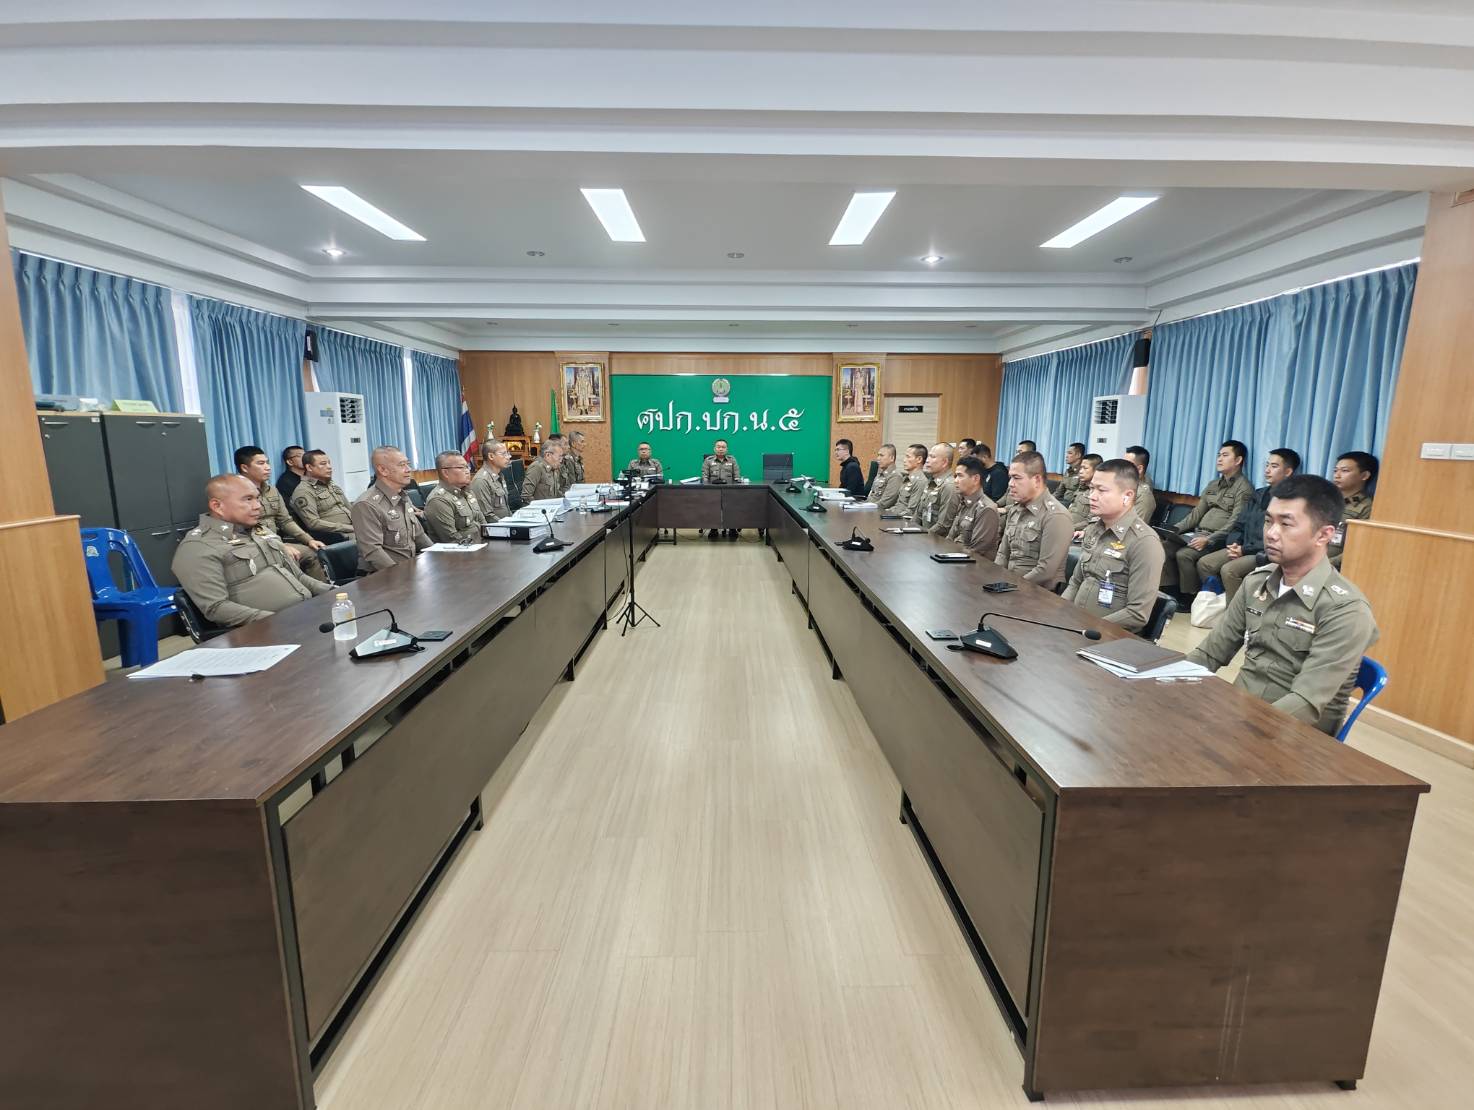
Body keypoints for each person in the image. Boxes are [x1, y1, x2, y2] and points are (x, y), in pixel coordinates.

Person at [1187, 474, 1378, 736]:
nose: (1271, 533)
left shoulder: (1345, 609)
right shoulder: (1256, 582)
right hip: (1238, 715)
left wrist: (1233, 729)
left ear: (1324, 535)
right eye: (1269, 521)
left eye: (1286, 524)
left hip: (1293, 738)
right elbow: (1210, 654)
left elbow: (1306, 704)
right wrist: (1163, 681)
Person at [172, 474, 331, 627]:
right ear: (217, 506)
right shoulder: (198, 546)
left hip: (303, 614)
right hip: (263, 630)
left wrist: (334, 592)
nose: (258, 506)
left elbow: (298, 576)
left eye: (257, 498)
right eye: (248, 499)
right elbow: (217, 608)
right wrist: (279, 621)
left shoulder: (260, 531)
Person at [1061, 459, 1166, 632]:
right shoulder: (1094, 529)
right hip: (1074, 624)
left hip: (1106, 636)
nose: (1092, 496)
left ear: (1127, 496)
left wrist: (1090, 629)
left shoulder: (1144, 543)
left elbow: (1137, 613)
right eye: (1091, 488)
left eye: (1101, 490)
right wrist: (1059, 613)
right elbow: (1076, 583)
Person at [1195, 447, 1300, 600]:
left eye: (1274, 466)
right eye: (1267, 465)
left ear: (1288, 472)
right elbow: (1240, 523)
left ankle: (1235, 609)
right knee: (1205, 563)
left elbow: (1280, 537)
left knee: (1229, 570)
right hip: (1242, 546)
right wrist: (1234, 544)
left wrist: (1244, 550)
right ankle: (1221, 600)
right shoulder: (1259, 494)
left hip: (1263, 551)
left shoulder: (1291, 500)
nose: (1267, 470)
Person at [1160, 439, 1254, 596]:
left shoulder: (1244, 488)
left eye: (1225, 455)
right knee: (1164, 547)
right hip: (1197, 534)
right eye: (1219, 455)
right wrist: (1173, 530)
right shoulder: (1213, 484)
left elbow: (1235, 522)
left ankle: (1189, 596)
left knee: (1184, 555)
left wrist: (1208, 540)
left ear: (1238, 460)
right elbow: (1196, 514)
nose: (1219, 459)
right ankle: (1168, 590)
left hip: (1218, 539)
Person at [234, 445, 324, 569]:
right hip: (254, 546)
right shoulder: (235, 493)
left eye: (267, 462)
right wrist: (280, 546)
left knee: (315, 552)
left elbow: (285, 520)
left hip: (276, 541)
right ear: (244, 468)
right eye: (261, 463)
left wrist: (308, 540)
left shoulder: (272, 490)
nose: (268, 467)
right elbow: (241, 530)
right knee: (289, 557)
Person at [995, 450, 1073, 590]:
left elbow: (1045, 571)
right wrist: (995, 580)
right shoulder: (1016, 509)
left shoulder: (1055, 516)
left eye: (1017, 478)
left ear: (1036, 480)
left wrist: (1009, 588)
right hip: (1008, 586)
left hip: (1036, 593)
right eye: (1010, 478)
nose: (1010, 484)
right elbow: (1003, 554)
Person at [351, 445, 431, 573]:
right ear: (383, 470)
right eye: (402, 465)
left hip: (409, 569)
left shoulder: (403, 496)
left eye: (408, 464)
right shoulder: (366, 504)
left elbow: (419, 536)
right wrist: (400, 575)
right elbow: (373, 552)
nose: (408, 469)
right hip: (382, 575)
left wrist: (438, 556)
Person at [290, 449, 355, 543]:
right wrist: (349, 528)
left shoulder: (331, 485)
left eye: (329, 463)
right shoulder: (303, 491)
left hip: (354, 528)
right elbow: (313, 523)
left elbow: (350, 509)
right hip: (338, 535)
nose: (329, 467)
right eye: (323, 464)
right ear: (309, 467)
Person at [423, 450, 488, 544]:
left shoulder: (467, 492)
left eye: (467, 467)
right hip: (461, 550)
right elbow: (452, 540)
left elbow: (483, 523)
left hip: (481, 544)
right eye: (461, 467)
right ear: (445, 473)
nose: (467, 471)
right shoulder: (438, 500)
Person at [945, 456, 1002, 558]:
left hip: (972, 564)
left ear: (975, 479)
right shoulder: (964, 502)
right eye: (955, 476)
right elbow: (950, 538)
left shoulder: (986, 509)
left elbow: (976, 551)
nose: (955, 480)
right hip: (954, 558)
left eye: (960, 476)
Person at [1329, 451, 1377, 568]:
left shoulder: (1367, 507)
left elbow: (1359, 547)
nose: (1337, 475)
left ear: (1364, 475)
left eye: (1345, 471)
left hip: (1335, 568)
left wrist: (1327, 565)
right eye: (1335, 470)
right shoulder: (1323, 499)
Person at [917, 443, 960, 534]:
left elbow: (943, 526)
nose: (927, 460)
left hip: (936, 539)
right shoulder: (931, 482)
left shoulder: (949, 486)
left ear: (944, 462)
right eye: (928, 456)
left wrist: (922, 537)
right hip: (923, 535)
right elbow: (918, 515)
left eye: (932, 457)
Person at [702, 439, 742, 538]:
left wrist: (735, 488)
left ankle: (732, 528)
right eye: (718, 447)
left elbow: (737, 476)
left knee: (732, 508)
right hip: (713, 491)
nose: (721, 449)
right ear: (714, 449)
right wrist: (707, 489)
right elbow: (705, 477)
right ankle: (713, 529)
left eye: (723, 447)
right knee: (713, 508)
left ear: (727, 449)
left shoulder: (732, 460)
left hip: (729, 490)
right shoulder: (708, 460)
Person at [470, 440, 514, 521]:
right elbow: (487, 516)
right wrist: (508, 525)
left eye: (508, 453)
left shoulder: (500, 476)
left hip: (506, 523)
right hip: (496, 527)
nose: (508, 457)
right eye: (504, 454)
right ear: (491, 456)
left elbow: (506, 509)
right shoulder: (481, 480)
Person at [891, 443, 929, 519]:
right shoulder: (907, 479)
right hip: (895, 515)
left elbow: (911, 512)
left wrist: (889, 516)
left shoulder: (920, 481)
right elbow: (899, 505)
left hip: (903, 521)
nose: (904, 460)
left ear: (919, 459)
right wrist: (886, 512)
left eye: (908, 457)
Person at [1066, 453, 1102, 527]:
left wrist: (1069, 528)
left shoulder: (1098, 494)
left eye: (1085, 468)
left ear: (1096, 470)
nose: (1080, 471)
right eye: (1081, 468)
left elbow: (1091, 521)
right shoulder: (1082, 487)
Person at [1125, 445, 1157, 526]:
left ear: (1139, 469)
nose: (1121, 468)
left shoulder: (1143, 495)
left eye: (1126, 465)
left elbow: (1134, 528)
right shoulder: (1123, 484)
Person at [866, 443, 904, 511]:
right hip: (870, 509)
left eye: (881, 455)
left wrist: (865, 508)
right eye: (878, 455)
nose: (878, 458)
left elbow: (885, 503)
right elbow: (871, 496)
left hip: (880, 513)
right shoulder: (879, 474)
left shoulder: (895, 476)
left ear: (892, 458)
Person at [1056, 442, 1087, 506]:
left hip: (1073, 504)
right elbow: (1059, 491)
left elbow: (1079, 494)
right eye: (1067, 453)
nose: (1066, 456)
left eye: (1070, 453)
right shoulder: (1068, 471)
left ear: (1078, 455)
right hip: (1063, 502)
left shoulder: (1083, 472)